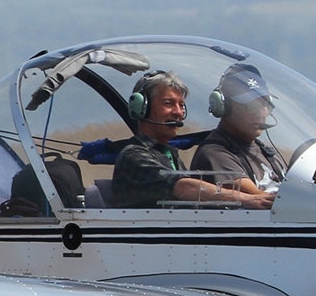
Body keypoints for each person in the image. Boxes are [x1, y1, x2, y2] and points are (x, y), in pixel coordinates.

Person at [111, 71, 274, 210]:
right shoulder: (133, 156)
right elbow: (183, 187)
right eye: (168, 103)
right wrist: (248, 200)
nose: (178, 112)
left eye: (181, 105)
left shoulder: (169, 156)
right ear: (141, 107)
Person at [192, 63, 285, 195]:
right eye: (251, 106)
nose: (259, 113)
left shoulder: (268, 152)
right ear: (224, 107)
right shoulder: (215, 155)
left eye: (264, 104)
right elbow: (261, 200)